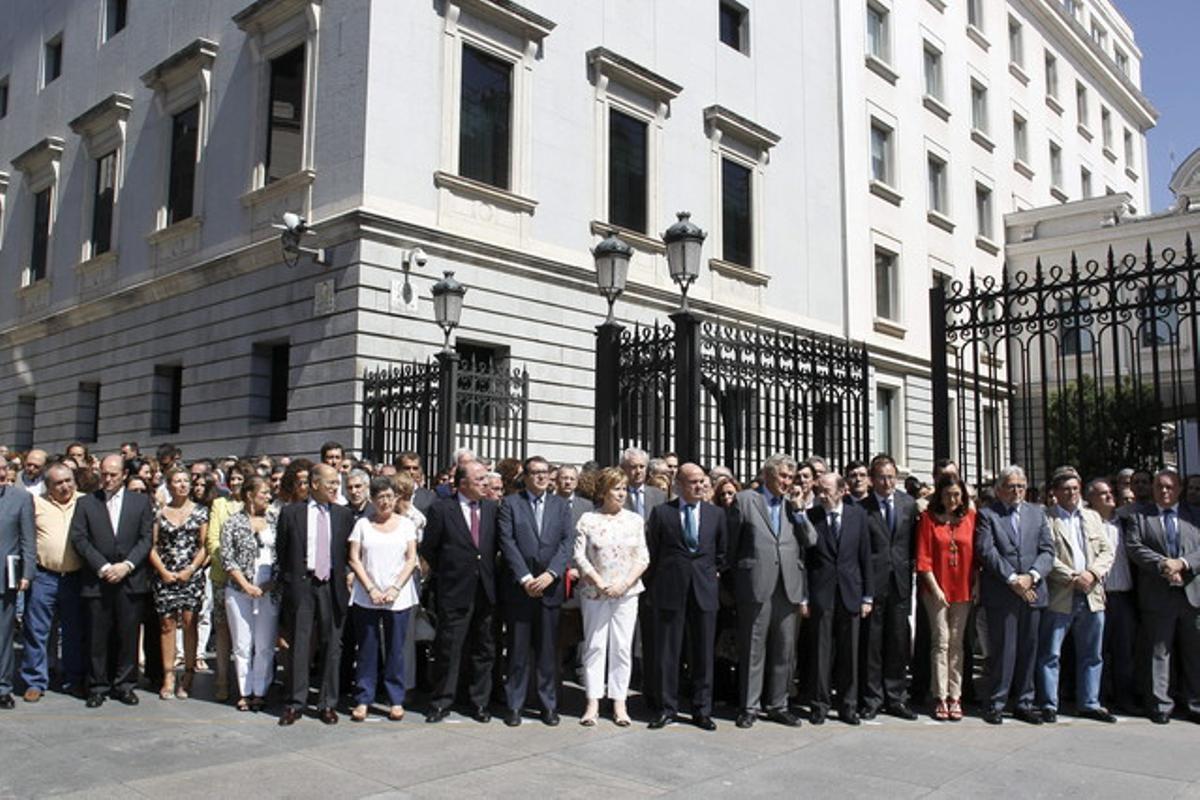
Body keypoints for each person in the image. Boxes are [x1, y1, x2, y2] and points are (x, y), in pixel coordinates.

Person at [728, 454, 814, 729]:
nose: (788, 482)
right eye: (783, 476)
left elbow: (811, 540)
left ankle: (778, 704)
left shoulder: (793, 505)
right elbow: (731, 545)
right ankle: (749, 706)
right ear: (767, 475)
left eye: (791, 477)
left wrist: (799, 510)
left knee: (784, 650)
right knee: (754, 648)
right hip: (756, 585)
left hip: (788, 586)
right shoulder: (746, 500)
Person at [644, 463, 727, 731]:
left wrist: (711, 573)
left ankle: (702, 709)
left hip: (703, 590)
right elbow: (653, 553)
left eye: (702, 481)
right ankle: (667, 707)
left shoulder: (716, 515)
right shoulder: (662, 513)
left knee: (703, 652)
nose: (700, 486)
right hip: (670, 590)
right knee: (668, 652)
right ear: (679, 484)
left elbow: (723, 553)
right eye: (693, 482)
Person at [69, 454, 155, 708]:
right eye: (104, 474)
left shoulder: (139, 502)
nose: (107, 479)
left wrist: (127, 566)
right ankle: (97, 685)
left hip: (130, 580)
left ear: (124, 475)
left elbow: (146, 538)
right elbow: (80, 539)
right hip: (99, 580)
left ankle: (125, 684)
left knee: (128, 635)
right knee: (97, 636)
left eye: (113, 475)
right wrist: (104, 566)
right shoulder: (86, 503)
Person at [497, 455, 574, 727]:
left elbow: (567, 543)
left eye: (546, 472)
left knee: (547, 652)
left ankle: (548, 705)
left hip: (550, 589)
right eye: (536, 473)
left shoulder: (561, 506)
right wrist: (526, 578)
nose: (542, 477)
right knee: (517, 652)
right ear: (526, 476)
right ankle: (515, 705)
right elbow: (507, 542)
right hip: (521, 590)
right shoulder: (510, 504)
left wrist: (551, 574)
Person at [275, 464, 354, 725]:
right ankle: (296, 703)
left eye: (337, 483)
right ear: (315, 484)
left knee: (333, 644)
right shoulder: (291, 514)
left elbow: (347, 553)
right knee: (300, 643)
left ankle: (327, 704)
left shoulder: (344, 515)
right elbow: (283, 552)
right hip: (303, 584)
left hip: (332, 584)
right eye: (330, 482)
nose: (335, 487)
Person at [420, 460, 499, 723]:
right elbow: (430, 548)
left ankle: (479, 702)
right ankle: (442, 701)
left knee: (483, 647)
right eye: (480, 479)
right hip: (454, 589)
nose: (485, 483)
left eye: (486, 478)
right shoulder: (442, 509)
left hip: (485, 589)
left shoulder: (491, 508)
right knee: (449, 648)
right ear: (462, 483)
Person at [975, 465, 1055, 725]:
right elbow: (987, 551)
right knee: (1003, 650)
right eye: (1011, 486)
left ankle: (1024, 702)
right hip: (1003, 591)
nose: (1017, 491)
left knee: (1029, 649)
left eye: (1021, 486)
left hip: (1032, 591)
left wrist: (1031, 576)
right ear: (999, 490)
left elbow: (1047, 551)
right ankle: (996, 702)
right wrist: (1012, 579)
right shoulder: (987, 515)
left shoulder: (1038, 513)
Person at [1036, 467, 1116, 723]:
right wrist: (1072, 576)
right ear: (1055, 492)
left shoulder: (1092, 517)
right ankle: (1049, 703)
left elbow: (1107, 551)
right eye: (1065, 489)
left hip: (1092, 594)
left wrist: (1092, 573)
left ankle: (1089, 702)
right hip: (1062, 594)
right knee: (1051, 653)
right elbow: (1047, 554)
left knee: (1092, 653)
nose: (1071, 493)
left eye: (1075, 488)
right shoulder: (1046, 518)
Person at [1122, 469, 1200, 724]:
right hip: (1158, 593)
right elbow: (1135, 548)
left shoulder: (1194, 515)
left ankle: (1195, 703)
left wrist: (1183, 564)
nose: (1164, 491)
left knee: (1194, 651)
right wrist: (1165, 565)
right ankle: (1160, 704)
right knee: (1159, 651)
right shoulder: (1139, 517)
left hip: (1191, 594)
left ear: (1178, 489)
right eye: (1159, 487)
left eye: (1169, 487)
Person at [573, 467, 648, 727]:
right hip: (595, 592)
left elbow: (643, 557)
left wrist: (624, 584)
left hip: (626, 593)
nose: (622, 494)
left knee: (622, 647)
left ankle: (619, 701)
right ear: (604, 492)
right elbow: (579, 556)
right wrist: (599, 582)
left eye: (624, 489)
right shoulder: (587, 520)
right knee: (595, 645)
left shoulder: (635, 520)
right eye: (617, 489)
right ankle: (592, 701)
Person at [347, 475, 420, 722]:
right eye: (380, 498)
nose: (386, 502)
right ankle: (363, 698)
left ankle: (395, 699)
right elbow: (354, 558)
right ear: (372, 500)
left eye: (390, 497)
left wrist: (396, 588)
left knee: (395, 649)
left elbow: (411, 558)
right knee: (367, 648)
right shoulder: (362, 525)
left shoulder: (406, 524)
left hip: (398, 597)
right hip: (367, 596)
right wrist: (370, 588)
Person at [805, 472, 873, 725]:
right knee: (821, 652)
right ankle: (819, 705)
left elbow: (865, 556)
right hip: (821, 593)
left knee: (850, 653)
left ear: (842, 490)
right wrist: (805, 597)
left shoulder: (858, 516)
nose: (822, 495)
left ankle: (848, 706)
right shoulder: (812, 517)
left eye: (827, 490)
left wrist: (868, 596)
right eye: (819, 490)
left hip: (851, 592)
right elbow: (806, 559)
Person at [858, 454, 919, 721]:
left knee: (897, 641)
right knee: (872, 643)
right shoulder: (862, 508)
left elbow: (914, 542)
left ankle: (896, 697)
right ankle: (872, 698)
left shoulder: (908, 504)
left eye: (891, 477)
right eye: (882, 477)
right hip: (873, 582)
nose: (887, 482)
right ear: (872, 479)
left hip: (900, 581)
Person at [20, 463, 86, 702]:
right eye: (58, 483)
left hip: (75, 578)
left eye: (68, 480)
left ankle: (74, 679)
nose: (65, 486)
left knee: (73, 632)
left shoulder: (86, 502)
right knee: (36, 631)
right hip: (43, 577)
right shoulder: (35, 503)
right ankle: (34, 681)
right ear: (48, 486)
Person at [915, 474, 976, 721]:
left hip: (963, 589)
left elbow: (977, 556)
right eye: (948, 494)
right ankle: (940, 694)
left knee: (957, 643)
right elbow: (923, 557)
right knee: (940, 642)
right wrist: (935, 588)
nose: (953, 499)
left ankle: (956, 694)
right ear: (940, 495)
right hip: (936, 589)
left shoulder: (970, 518)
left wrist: (977, 586)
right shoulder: (929, 519)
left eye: (957, 495)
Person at [148, 467, 209, 700]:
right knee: (166, 624)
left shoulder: (201, 511)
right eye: (177, 481)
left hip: (191, 574)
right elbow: (152, 546)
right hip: (165, 574)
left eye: (186, 481)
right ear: (169, 485)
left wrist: (191, 569)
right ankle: (168, 675)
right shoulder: (159, 512)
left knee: (190, 621)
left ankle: (189, 674)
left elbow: (204, 546)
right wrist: (162, 571)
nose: (182, 485)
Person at [220, 476, 279, 712]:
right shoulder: (233, 522)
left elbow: (284, 555)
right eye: (263, 492)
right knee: (243, 644)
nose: (267, 496)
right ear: (249, 495)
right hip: (239, 591)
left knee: (265, 644)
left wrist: (268, 585)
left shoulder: (276, 520)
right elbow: (227, 557)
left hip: (269, 592)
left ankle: (260, 690)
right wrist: (245, 585)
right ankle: (244, 691)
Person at [620, 447, 667, 714]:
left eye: (640, 467)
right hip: (623, 576)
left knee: (652, 637)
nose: (636, 472)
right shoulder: (615, 494)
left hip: (654, 576)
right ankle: (619, 693)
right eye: (631, 467)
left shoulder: (659, 496)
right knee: (623, 636)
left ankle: (651, 690)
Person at [1087, 478, 1138, 713]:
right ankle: (1097, 697)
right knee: (1096, 651)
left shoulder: (1125, 523)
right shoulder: (1086, 524)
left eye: (1110, 492)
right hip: (1098, 595)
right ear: (1091, 499)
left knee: (1124, 651)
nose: (1109, 496)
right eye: (1103, 493)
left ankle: (1124, 697)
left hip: (1123, 596)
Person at [0, 459, 35, 709]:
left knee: (3, 638)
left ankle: (3, 687)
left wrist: (27, 573)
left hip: (5, 579)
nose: (2, 473)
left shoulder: (21, 499)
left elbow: (28, 539)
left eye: (3, 468)